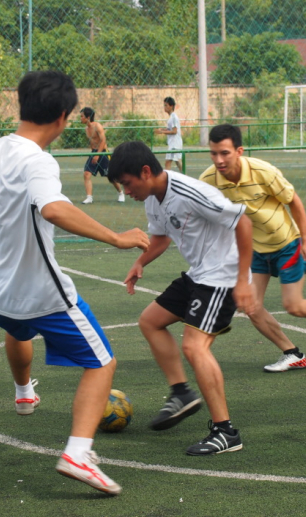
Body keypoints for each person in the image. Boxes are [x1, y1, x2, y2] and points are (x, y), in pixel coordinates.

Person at [0, 71, 149, 496]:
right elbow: (55, 209)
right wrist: (117, 237)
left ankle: (24, 393)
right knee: (102, 363)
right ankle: (77, 453)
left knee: (16, 328)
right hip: (42, 294)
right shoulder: (38, 161)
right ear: (63, 117)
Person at [109, 141, 256, 456]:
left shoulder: (191, 192)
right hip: (200, 274)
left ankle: (225, 432)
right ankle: (182, 393)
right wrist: (140, 262)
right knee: (150, 321)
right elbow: (160, 238)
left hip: (223, 276)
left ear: (145, 172)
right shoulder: (152, 197)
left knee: (194, 346)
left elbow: (243, 222)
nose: (126, 190)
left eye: (127, 183)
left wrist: (243, 281)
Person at [199, 123, 306, 373]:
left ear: (239, 151)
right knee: (250, 306)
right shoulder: (208, 180)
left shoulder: (263, 171)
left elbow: (293, 201)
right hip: (254, 250)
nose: (219, 160)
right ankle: (292, 354)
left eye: (224, 153)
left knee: (294, 306)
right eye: (214, 153)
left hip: (285, 244)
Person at [79, 107, 124, 204]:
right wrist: (93, 154)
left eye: (82, 116)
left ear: (87, 117)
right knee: (87, 174)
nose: (80, 118)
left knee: (110, 176)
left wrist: (98, 155)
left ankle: (120, 193)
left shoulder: (97, 126)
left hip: (103, 152)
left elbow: (103, 140)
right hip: (94, 152)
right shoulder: (86, 129)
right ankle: (89, 197)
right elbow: (92, 142)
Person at [154, 96, 183, 172]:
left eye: (166, 105)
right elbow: (170, 129)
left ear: (171, 106)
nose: (164, 107)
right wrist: (162, 129)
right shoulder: (171, 117)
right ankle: (184, 176)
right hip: (173, 143)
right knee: (176, 162)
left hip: (175, 143)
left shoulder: (173, 117)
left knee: (170, 162)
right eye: (164, 105)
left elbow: (174, 131)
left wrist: (162, 132)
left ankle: (168, 178)